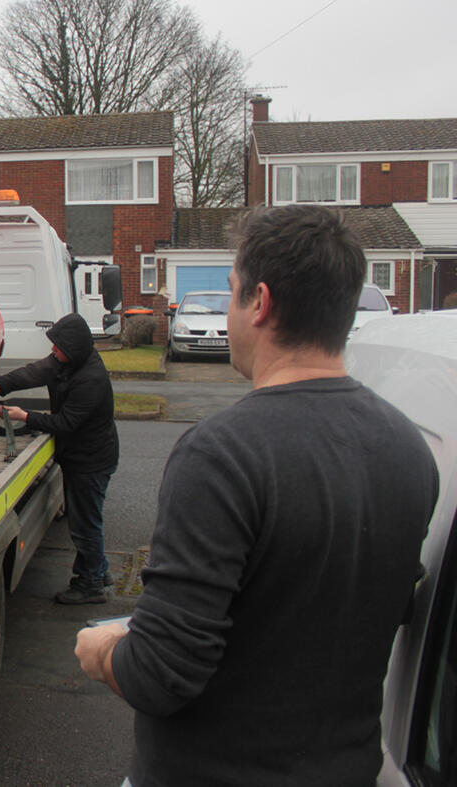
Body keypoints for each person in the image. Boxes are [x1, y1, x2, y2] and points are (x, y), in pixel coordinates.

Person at [74, 205, 439, 786]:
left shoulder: (221, 456)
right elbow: (379, 606)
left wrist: (100, 648)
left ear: (260, 303)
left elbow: (160, 675)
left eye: (231, 292)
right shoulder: (410, 447)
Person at [0, 312, 119, 604]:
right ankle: (98, 569)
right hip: (80, 455)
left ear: (74, 348)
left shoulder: (90, 379)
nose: (53, 351)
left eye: (58, 347)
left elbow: (65, 423)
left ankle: (91, 585)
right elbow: (32, 372)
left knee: (84, 524)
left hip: (91, 461)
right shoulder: (65, 361)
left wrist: (25, 416)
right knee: (87, 520)